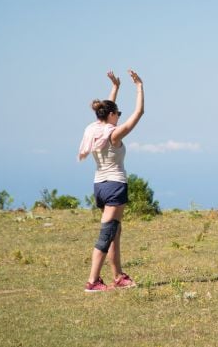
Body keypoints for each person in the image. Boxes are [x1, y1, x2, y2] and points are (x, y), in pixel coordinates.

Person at [78, 69, 143, 292]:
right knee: (107, 233)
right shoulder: (114, 136)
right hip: (115, 187)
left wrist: (115, 88)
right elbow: (139, 113)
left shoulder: (95, 130)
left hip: (100, 187)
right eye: (118, 113)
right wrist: (139, 87)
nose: (120, 117)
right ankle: (93, 281)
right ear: (112, 115)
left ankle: (118, 276)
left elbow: (106, 113)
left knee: (115, 231)